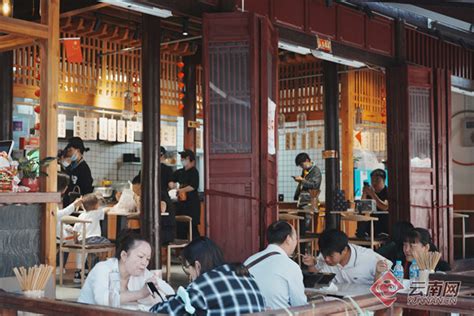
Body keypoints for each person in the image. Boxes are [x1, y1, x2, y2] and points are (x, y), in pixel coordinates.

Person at [150, 237, 265, 315]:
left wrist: (155, 302)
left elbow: (160, 313)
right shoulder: (245, 275)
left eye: (188, 270)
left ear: (197, 266)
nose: (190, 278)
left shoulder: (205, 283)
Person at [78, 230, 174, 306]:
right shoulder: (103, 269)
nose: (144, 263)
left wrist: (155, 288)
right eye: (140, 257)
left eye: (148, 259)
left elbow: (169, 292)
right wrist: (140, 294)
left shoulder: (142, 272)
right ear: (124, 255)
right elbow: (102, 300)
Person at [244, 221, 307, 309]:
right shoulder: (291, 266)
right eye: (295, 238)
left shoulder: (249, 260)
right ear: (288, 239)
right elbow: (300, 306)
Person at [303, 229, 391, 284]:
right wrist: (311, 265)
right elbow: (317, 282)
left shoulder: (368, 258)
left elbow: (389, 284)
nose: (326, 259)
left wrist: (378, 273)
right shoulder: (325, 255)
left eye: (330, 256)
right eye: (324, 254)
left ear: (344, 250)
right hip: (340, 301)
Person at [72, 193, 111, 283]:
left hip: (82, 240)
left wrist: (76, 241)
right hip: (94, 239)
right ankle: (96, 270)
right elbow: (107, 209)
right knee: (108, 243)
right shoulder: (96, 213)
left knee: (85, 253)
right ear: (96, 205)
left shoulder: (81, 215)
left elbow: (75, 230)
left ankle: (79, 272)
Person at [132, 172, 176, 245]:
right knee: (128, 234)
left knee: (137, 236)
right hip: (152, 229)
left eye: (138, 191)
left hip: (165, 231)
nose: (137, 194)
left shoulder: (158, 193)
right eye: (135, 192)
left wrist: (139, 201)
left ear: (143, 187)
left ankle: (146, 255)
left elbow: (162, 208)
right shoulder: (146, 196)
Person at [169, 149, 200, 240]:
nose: (182, 160)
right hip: (180, 205)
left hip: (191, 205)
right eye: (182, 158)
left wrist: (180, 190)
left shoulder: (194, 172)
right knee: (180, 229)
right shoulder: (180, 172)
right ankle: (181, 252)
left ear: (192, 160)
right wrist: (171, 184)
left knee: (192, 229)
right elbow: (171, 180)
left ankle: (197, 250)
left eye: (185, 158)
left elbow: (193, 186)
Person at [293, 153, 321, 238]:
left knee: (307, 228)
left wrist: (302, 180)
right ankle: (301, 249)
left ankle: (307, 249)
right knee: (301, 228)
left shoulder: (316, 170)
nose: (302, 167)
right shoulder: (306, 171)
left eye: (302, 164)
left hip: (310, 202)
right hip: (303, 202)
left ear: (307, 160)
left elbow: (315, 185)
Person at [61, 137, 94, 207]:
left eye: (70, 150)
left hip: (78, 206)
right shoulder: (71, 166)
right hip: (69, 204)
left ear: (78, 151)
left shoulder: (84, 168)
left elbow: (87, 190)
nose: (68, 153)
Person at [357, 169, 389, 237]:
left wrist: (372, 194)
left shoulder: (387, 191)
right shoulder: (370, 192)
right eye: (372, 180)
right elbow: (362, 208)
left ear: (383, 180)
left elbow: (385, 207)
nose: (374, 183)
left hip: (383, 224)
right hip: (370, 223)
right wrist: (364, 193)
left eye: (377, 180)